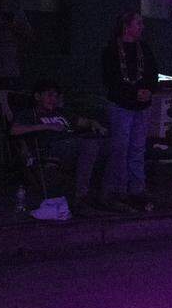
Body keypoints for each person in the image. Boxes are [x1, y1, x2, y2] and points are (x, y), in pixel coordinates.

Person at [10, 79, 106, 213]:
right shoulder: (30, 113)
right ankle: (81, 196)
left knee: (105, 145)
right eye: (49, 95)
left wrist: (94, 123)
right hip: (51, 149)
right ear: (37, 96)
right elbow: (15, 130)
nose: (53, 99)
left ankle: (109, 195)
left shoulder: (61, 112)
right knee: (88, 145)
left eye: (56, 96)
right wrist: (47, 126)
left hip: (74, 146)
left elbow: (84, 122)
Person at [101, 11, 158, 211]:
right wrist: (133, 93)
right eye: (138, 23)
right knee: (121, 148)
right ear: (127, 26)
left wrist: (148, 91)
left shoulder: (144, 49)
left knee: (137, 149)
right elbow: (111, 79)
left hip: (141, 107)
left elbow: (153, 72)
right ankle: (118, 189)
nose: (142, 27)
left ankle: (137, 188)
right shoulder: (112, 50)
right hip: (121, 106)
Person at [0, 0, 34, 176]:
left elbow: (28, 34)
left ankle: (14, 165)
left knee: (11, 117)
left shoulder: (11, 8)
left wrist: (12, 25)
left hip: (8, 70)